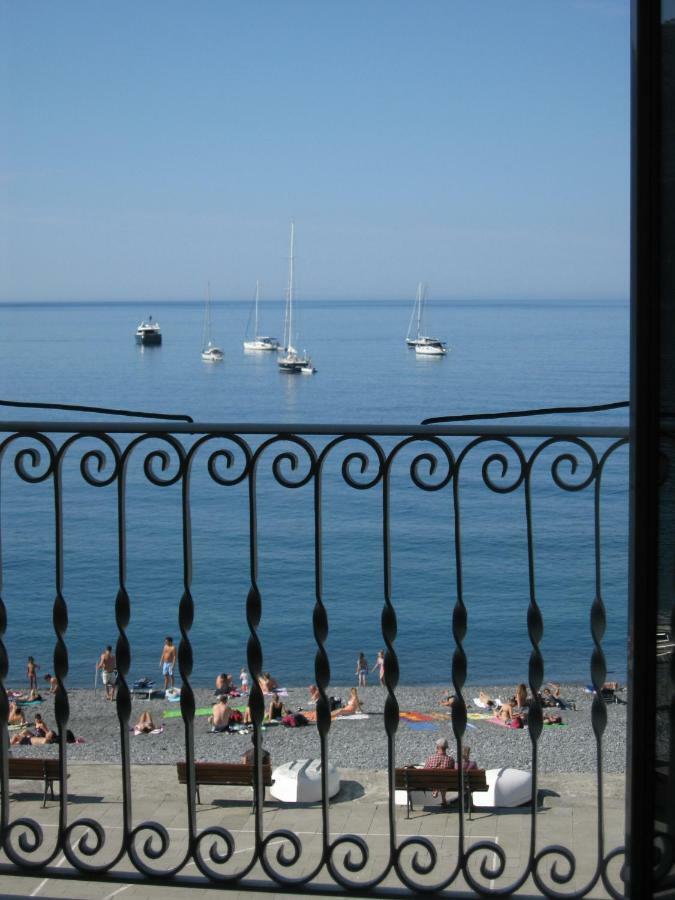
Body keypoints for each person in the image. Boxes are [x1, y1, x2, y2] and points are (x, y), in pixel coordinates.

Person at [423, 737, 456, 806]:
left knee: (434, 778)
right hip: (444, 783)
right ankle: (443, 799)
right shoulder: (450, 760)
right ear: (446, 748)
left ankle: (435, 789)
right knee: (444, 780)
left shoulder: (431, 758)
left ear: (437, 747)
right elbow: (454, 772)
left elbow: (424, 771)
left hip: (432, 783)